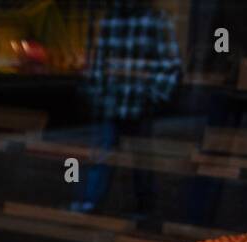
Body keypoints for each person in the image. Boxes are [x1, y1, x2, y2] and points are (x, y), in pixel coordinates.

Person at [74, 1, 182, 218]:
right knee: (104, 156)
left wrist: (152, 96)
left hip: (136, 103)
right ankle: (91, 203)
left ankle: (142, 207)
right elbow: (99, 61)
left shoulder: (154, 19)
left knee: (139, 160)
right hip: (113, 102)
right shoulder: (112, 18)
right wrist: (98, 92)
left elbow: (170, 65)